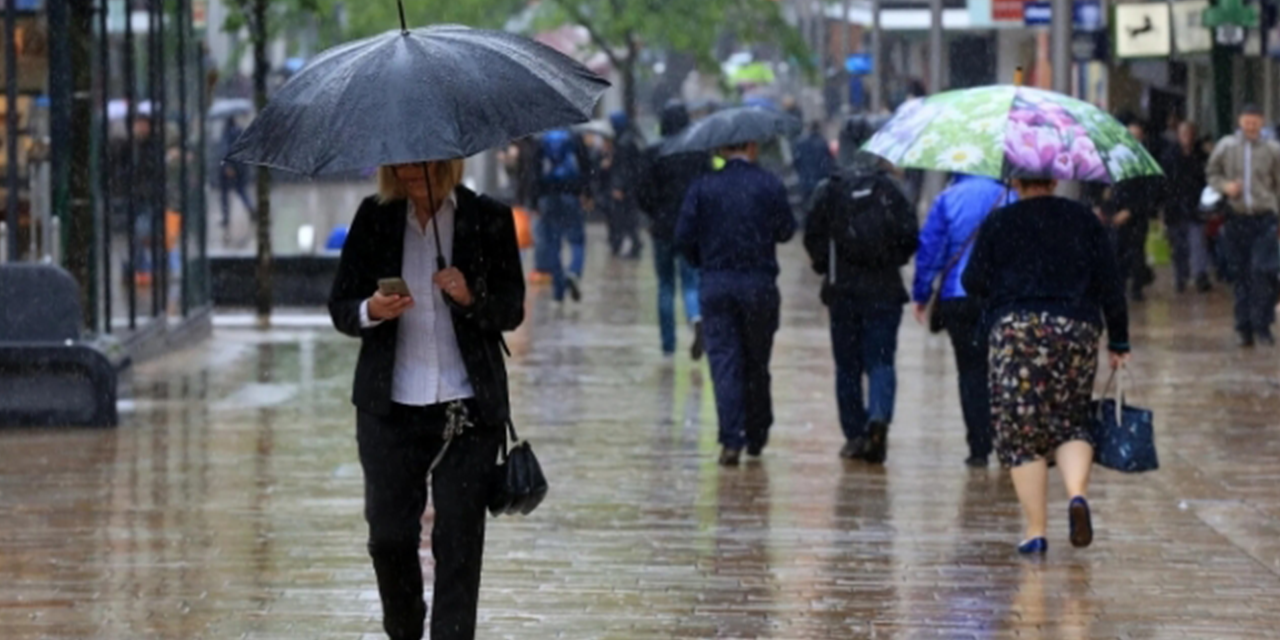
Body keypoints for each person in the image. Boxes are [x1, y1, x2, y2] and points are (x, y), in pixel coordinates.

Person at [328, 159, 525, 640]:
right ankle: (405, 630)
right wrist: (371, 310)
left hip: (467, 409)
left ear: (450, 162)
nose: (410, 171)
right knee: (390, 538)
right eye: (400, 162)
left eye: (423, 162)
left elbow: (511, 309)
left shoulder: (488, 218)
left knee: (459, 544)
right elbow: (341, 306)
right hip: (389, 408)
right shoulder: (373, 217)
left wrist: (470, 296)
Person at [962, 177, 1130, 555]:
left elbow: (972, 281)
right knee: (1071, 421)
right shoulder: (1085, 219)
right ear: (1055, 179)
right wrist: (1119, 340)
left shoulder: (1000, 221)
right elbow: (1111, 284)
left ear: (1016, 180)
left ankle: (1036, 531)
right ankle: (1076, 496)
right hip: (1075, 328)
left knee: (1022, 434)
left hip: (1017, 332)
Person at [804, 116, 918, 465]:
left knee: (847, 366)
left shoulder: (830, 188)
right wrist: (889, 260)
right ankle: (879, 417)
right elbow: (910, 237)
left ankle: (855, 435)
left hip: (844, 293)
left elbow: (812, 237)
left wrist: (827, 266)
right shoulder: (892, 189)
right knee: (881, 360)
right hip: (884, 291)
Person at [676, 140, 796, 466]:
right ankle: (757, 432)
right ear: (753, 146)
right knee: (757, 361)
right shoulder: (769, 183)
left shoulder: (703, 186)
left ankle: (731, 439)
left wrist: (706, 260)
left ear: (720, 148)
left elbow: (683, 238)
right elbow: (787, 230)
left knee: (725, 364)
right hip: (759, 285)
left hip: (717, 285)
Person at [912, 174, 1011, 467]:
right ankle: (1008, 442)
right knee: (1005, 371)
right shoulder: (1009, 197)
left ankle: (979, 446)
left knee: (970, 371)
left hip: (957, 296)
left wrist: (922, 292)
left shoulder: (948, 198)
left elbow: (931, 249)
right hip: (999, 299)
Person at [638, 101, 712, 359]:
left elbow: (643, 192)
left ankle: (668, 347)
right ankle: (696, 317)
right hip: (691, 227)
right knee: (691, 281)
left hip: (662, 227)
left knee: (665, 285)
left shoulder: (654, 153)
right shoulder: (699, 153)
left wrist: (653, 214)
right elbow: (707, 190)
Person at [1207, 104, 1280, 347]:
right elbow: (1211, 173)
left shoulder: (1272, 149)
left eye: (1255, 122)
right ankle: (1244, 327)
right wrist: (1225, 186)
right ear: (1240, 121)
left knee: (1263, 271)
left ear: (1261, 122)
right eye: (1247, 121)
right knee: (1241, 275)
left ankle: (1263, 324)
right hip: (1237, 217)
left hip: (1264, 217)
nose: (1251, 126)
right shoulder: (1227, 146)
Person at [1101, 116, 1162, 301]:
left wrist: (1131, 210)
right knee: (1116, 252)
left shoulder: (1146, 162)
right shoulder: (1112, 158)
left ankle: (1136, 287)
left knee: (1136, 252)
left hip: (1136, 216)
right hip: (1115, 215)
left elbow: (1150, 191)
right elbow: (1104, 188)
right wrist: (1108, 209)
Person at [534, 129, 589, 303]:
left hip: (548, 197)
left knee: (552, 244)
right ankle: (574, 271)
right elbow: (586, 166)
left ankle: (558, 291)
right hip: (571, 196)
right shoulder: (574, 137)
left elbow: (534, 172)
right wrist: (586, 192)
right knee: (577, 241)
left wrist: (535, 199)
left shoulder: (541, 139)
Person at [1162, 121, 1212, 293]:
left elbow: (1207, 180)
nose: (1187, 137)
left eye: (1190, 134)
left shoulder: (1201, 156)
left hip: (1195, 206)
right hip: (1175, 208)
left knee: (1197, 241)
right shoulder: (1169, 156)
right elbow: (1164, 183)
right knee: (1179, 245)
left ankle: (1200, 275)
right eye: (1184, 134)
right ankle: (1181, 276)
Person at [608, 110, 645, 259]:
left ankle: (634, 244)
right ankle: (634, 243)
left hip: (627, 187)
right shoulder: (630, 138)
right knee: (629, 217)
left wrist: (619, 186)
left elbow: (623, 168)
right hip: (632, 185)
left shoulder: (624, 142)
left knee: (627, 218)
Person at [219, 116, 256, 230]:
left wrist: (227, 166)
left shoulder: (226, 134)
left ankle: (226, 217)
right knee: (241, 190)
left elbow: (225, 150)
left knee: (225, 194)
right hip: (241, 167)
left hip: (231, 167)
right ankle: (250, 207)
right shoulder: (240, 131)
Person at [793, 122, 836, 205]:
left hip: (806, 183)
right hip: (821, 183)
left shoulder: (800, 143)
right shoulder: (822, 143)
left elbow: (796, 163)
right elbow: (829, 162)